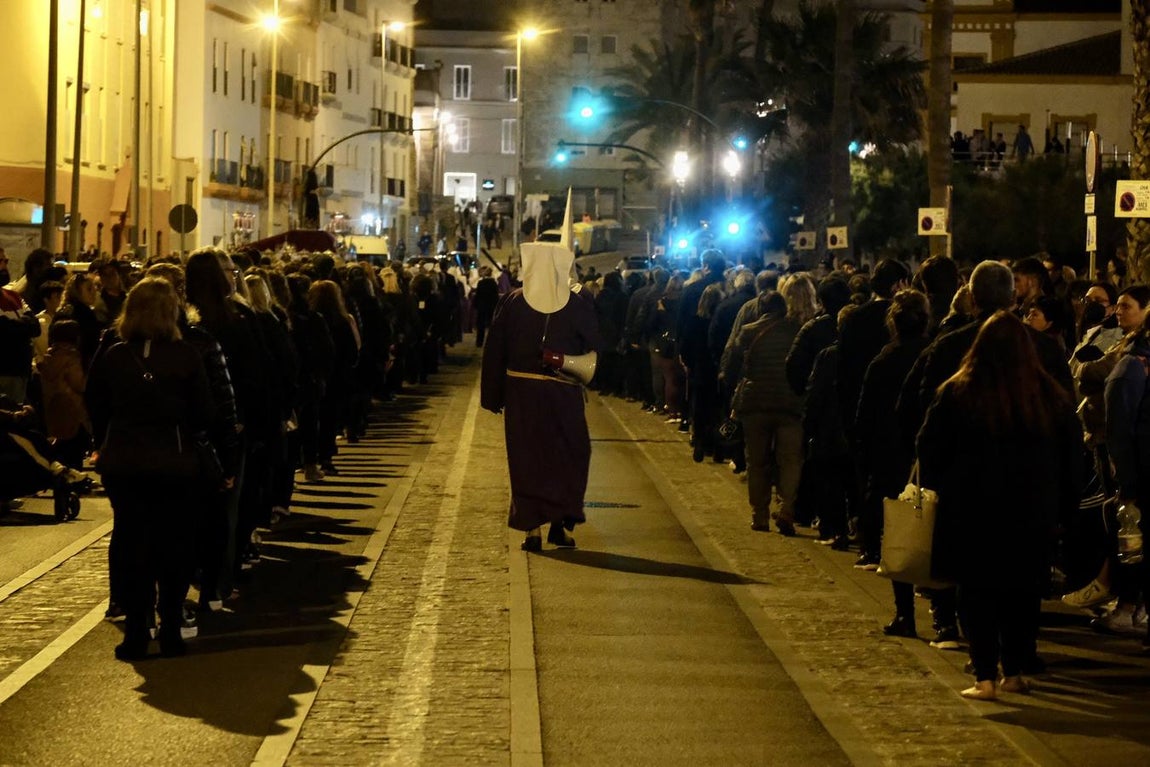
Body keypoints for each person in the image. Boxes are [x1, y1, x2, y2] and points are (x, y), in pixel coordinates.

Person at [917, 312, 1082, 700]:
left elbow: (929, 449)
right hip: (1032, 512)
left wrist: (944, 485)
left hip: (972, 509)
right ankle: (1015, 670)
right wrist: (1064, 510)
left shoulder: (958, 393)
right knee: (1022, 593)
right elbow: (1073, 458)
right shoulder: (1050, 398)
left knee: (977, 592)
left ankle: (985, 675)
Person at [87, 278, 214, 660]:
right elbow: (204, 413)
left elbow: (96, 405)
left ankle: (138, 630)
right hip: (175, 462)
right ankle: (172, 628)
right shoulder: (187, 356)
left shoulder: (114, 356)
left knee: (132, 545)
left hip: (125, 463)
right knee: (175, 546)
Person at [480, 238, 602, 551]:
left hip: (523, 393)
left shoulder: (511, 301)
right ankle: (555, 526)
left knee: (528, 459)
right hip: (561, 393)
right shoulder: (577, 303)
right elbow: (595, 343)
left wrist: (493, 396)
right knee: (566, 456)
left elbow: (494, 350)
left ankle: (533, 528)